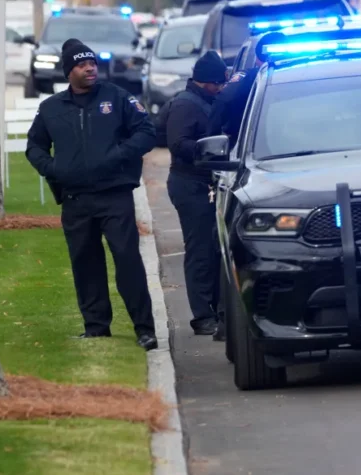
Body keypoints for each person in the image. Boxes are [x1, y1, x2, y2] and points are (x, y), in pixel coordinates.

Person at [25, 38, 158, 350]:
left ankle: (145, 329)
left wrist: (119, 155)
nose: (90, 69)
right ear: (68, 71)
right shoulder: (51, 109)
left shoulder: (117, 97)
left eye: (93, 64)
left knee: (127, 261)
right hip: (75, 199)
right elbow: (34, 146)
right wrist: (52, 168)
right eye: (82, 65)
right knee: (85, 264)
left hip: (114, 196)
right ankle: (96, 327)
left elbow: (146, 131)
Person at [164, 51, 230, 337]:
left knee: (214, 249)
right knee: (200, 250)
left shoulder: (203, 100)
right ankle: (202, 316)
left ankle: (215, 310)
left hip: (204, 185)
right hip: (190, 184)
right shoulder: (185, 106)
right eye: (219, 83)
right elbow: (179, 143)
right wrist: (210, 152)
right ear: (208, 82)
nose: (222, 88)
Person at [209, 31, 285, 148]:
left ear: (256, 59)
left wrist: (213, 141)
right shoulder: (251, 79)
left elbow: (223, 100)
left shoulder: (246, 80)